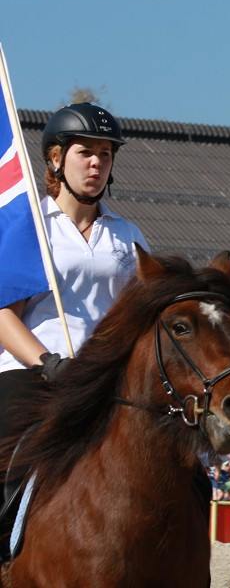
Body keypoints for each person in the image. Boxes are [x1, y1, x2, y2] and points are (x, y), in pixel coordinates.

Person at [0, 104, 147, 560]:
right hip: (32, 375)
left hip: (102, 383)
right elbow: (3, 313)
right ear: (56, 159)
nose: (97, 163)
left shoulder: (129, 237)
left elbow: (142, 320)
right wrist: (46, 362)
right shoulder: (31, 228)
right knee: (8, 470)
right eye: (86, 152)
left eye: (106, 154)